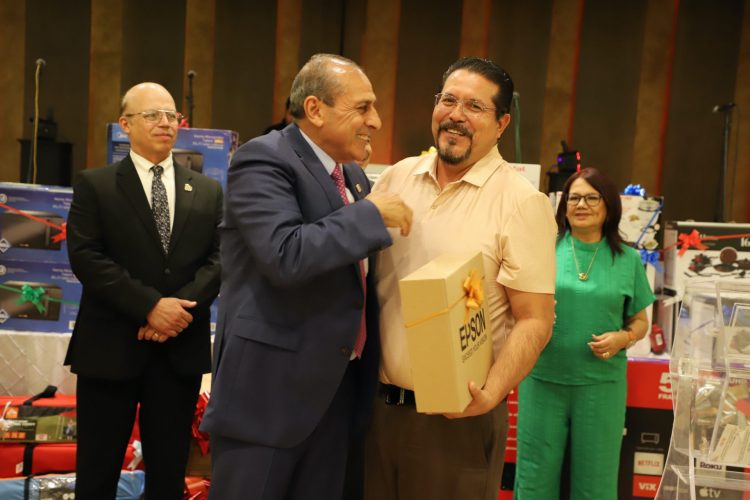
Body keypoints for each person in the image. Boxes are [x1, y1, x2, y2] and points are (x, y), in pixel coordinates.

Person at [200, 53, 413, 500]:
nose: (375, 121)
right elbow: (285, 254)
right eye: (362, 107)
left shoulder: (352, 175)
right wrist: (371, 214)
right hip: (267, 400)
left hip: (335, 395)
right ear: (315, 109)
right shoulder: (263, 158)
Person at [364, 56, 557, 500]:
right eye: (448, 100)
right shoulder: (396, 178)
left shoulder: (520, 202)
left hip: (456, 422)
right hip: (375, 411)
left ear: (502, 123)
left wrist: (491, 393)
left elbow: (535, 319)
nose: (456, 115)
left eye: (474, 106)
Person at [65, 82, 222, 499]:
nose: (165, 123)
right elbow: (86, 257)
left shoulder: (207, 190)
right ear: (125, 124)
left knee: (168, 478)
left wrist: (177, 314)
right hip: (110, 350)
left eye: (172, 116)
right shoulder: (96, 185)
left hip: (178, 352)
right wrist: (151, 307)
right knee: (97, 476)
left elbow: (220, 260)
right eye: (152, 115)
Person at [513, 167, 655, 499]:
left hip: (601, 386)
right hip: (542, 380)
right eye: (573, 198)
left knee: (596, 483)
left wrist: (623, 338)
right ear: (563, 206)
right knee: (533, 479)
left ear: (609, 205)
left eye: (592, 198)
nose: (581, 205)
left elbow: (640, 322)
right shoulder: (543, 250)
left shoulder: (627, 259)